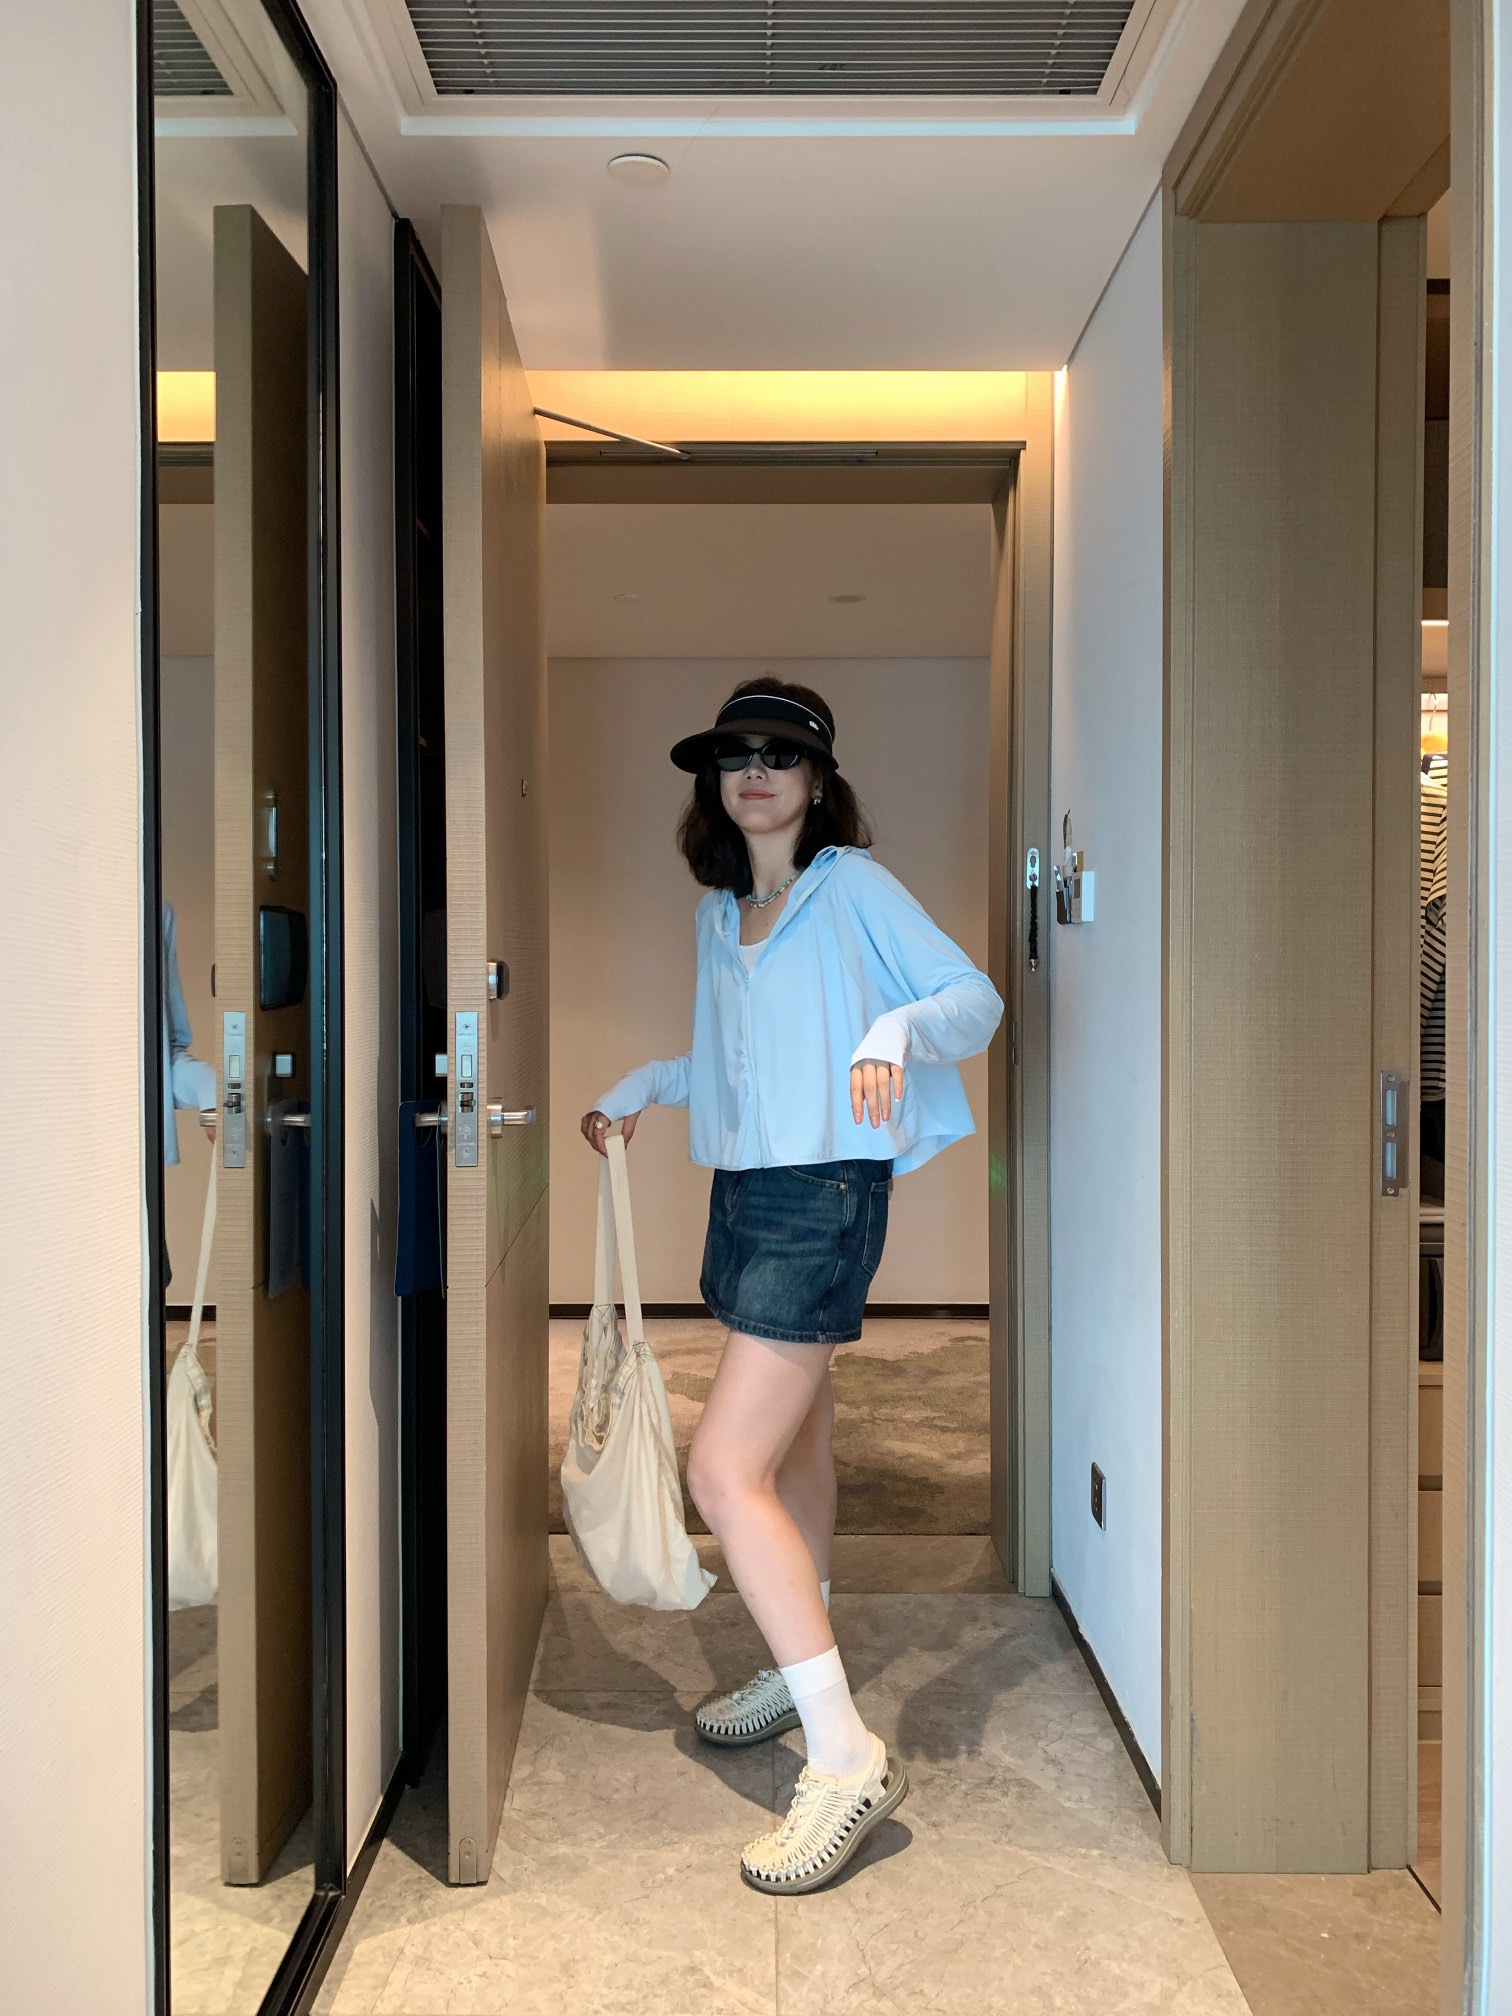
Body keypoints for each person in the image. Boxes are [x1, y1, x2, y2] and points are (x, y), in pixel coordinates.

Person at [580, 677, 1004, 1895]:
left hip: (824, 1194)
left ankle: (845, 1754)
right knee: (796, 1445)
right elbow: (737, 1060)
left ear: (818, 781)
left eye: (780, 754)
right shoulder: (722, 914)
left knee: (722, 1472)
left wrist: (894, 1032)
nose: (755, 771)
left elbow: (974, 1000)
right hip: (747, 1196)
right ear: (714, 784)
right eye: (735, 756)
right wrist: (645, 1086)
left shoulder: (850, 886)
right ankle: (795, 1643)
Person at [162, 898, 217, 1287]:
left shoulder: (155, 912)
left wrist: (213, 1090)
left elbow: (163, 1052)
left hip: (131, 1162)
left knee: (150, 1279)